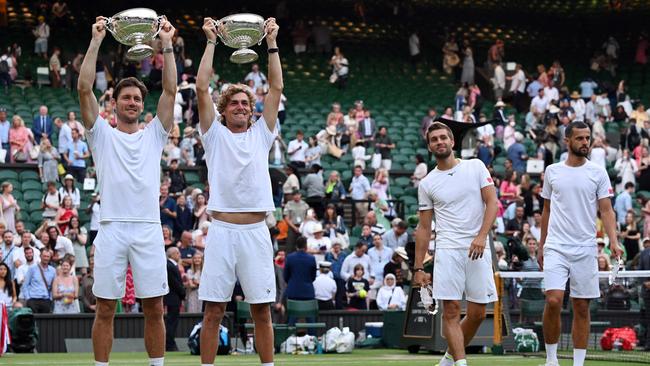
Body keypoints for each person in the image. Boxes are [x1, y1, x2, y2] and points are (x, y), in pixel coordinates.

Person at [78, 16, 177, 366]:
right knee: (105, 307)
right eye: (126, 97)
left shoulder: (154, 134)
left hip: (148, 228)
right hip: (112, 228)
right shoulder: (101, 134)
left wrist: (165, 43)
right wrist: (96, 40)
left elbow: (170, 91)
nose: (132, 102)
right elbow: (83, 89)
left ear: (142, 105)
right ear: (115, 102)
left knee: (155, 307)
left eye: (137, 98)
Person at [196, 17, 282, 366]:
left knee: (261, 310)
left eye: (246, 104)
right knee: (213, 311)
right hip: (221, 232)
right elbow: (202, 88)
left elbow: (275, 88)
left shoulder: (262, 134)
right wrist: (211, 41)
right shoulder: (213, 135)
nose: (241, 108)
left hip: (256, 232)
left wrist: (272, 43)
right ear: (224, 108)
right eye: (234, 103)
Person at [414, 122, 499, 366]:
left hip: (477, 248)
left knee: (478, 313)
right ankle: (461, 364)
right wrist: (419, 268)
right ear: (430, 146)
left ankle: (449, 360)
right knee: (450, 311)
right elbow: (424, 227)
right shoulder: (427, 183)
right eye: (434, 139)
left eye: (443, 137)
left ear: (452, 142)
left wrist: (482, 236)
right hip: (447, 250)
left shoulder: (476, 166)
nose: (439, 141)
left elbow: (492, 203)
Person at [538, 121, 623, 366]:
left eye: (587, 138)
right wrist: (543, 245)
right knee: (553, 300)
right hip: (555, 246)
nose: (585, 142)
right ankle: (551, 360)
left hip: (585, 248)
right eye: (580, 138)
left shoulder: (598, 172)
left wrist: (613, 242)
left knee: (581, 307)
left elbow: (606, 211)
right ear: (567, 141)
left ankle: (578, 364)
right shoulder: (552, 171)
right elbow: (546, 210)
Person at [164, 247, 186, 352]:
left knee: (172, 322)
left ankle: (170, 342)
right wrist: (183, 292)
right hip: (172, 298)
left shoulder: (172, 265)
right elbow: (174, 283)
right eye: (177, 253)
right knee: (171, 322)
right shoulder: (169, 265)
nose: (179, 254)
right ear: (171, 254)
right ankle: (169, 344)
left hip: (175, 298)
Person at [20, 249, 55, 313]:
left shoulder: (53, 270)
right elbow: (25, 284)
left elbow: (53, 286)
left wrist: (50, 298)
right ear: (40, 256)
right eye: (44, 256)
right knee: (33, 321)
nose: (46, 258)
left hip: (46, 299)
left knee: (45, 322)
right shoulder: (32, 268)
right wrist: (28, 298)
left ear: (50, 258)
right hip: (33, 299)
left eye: (48, 257)